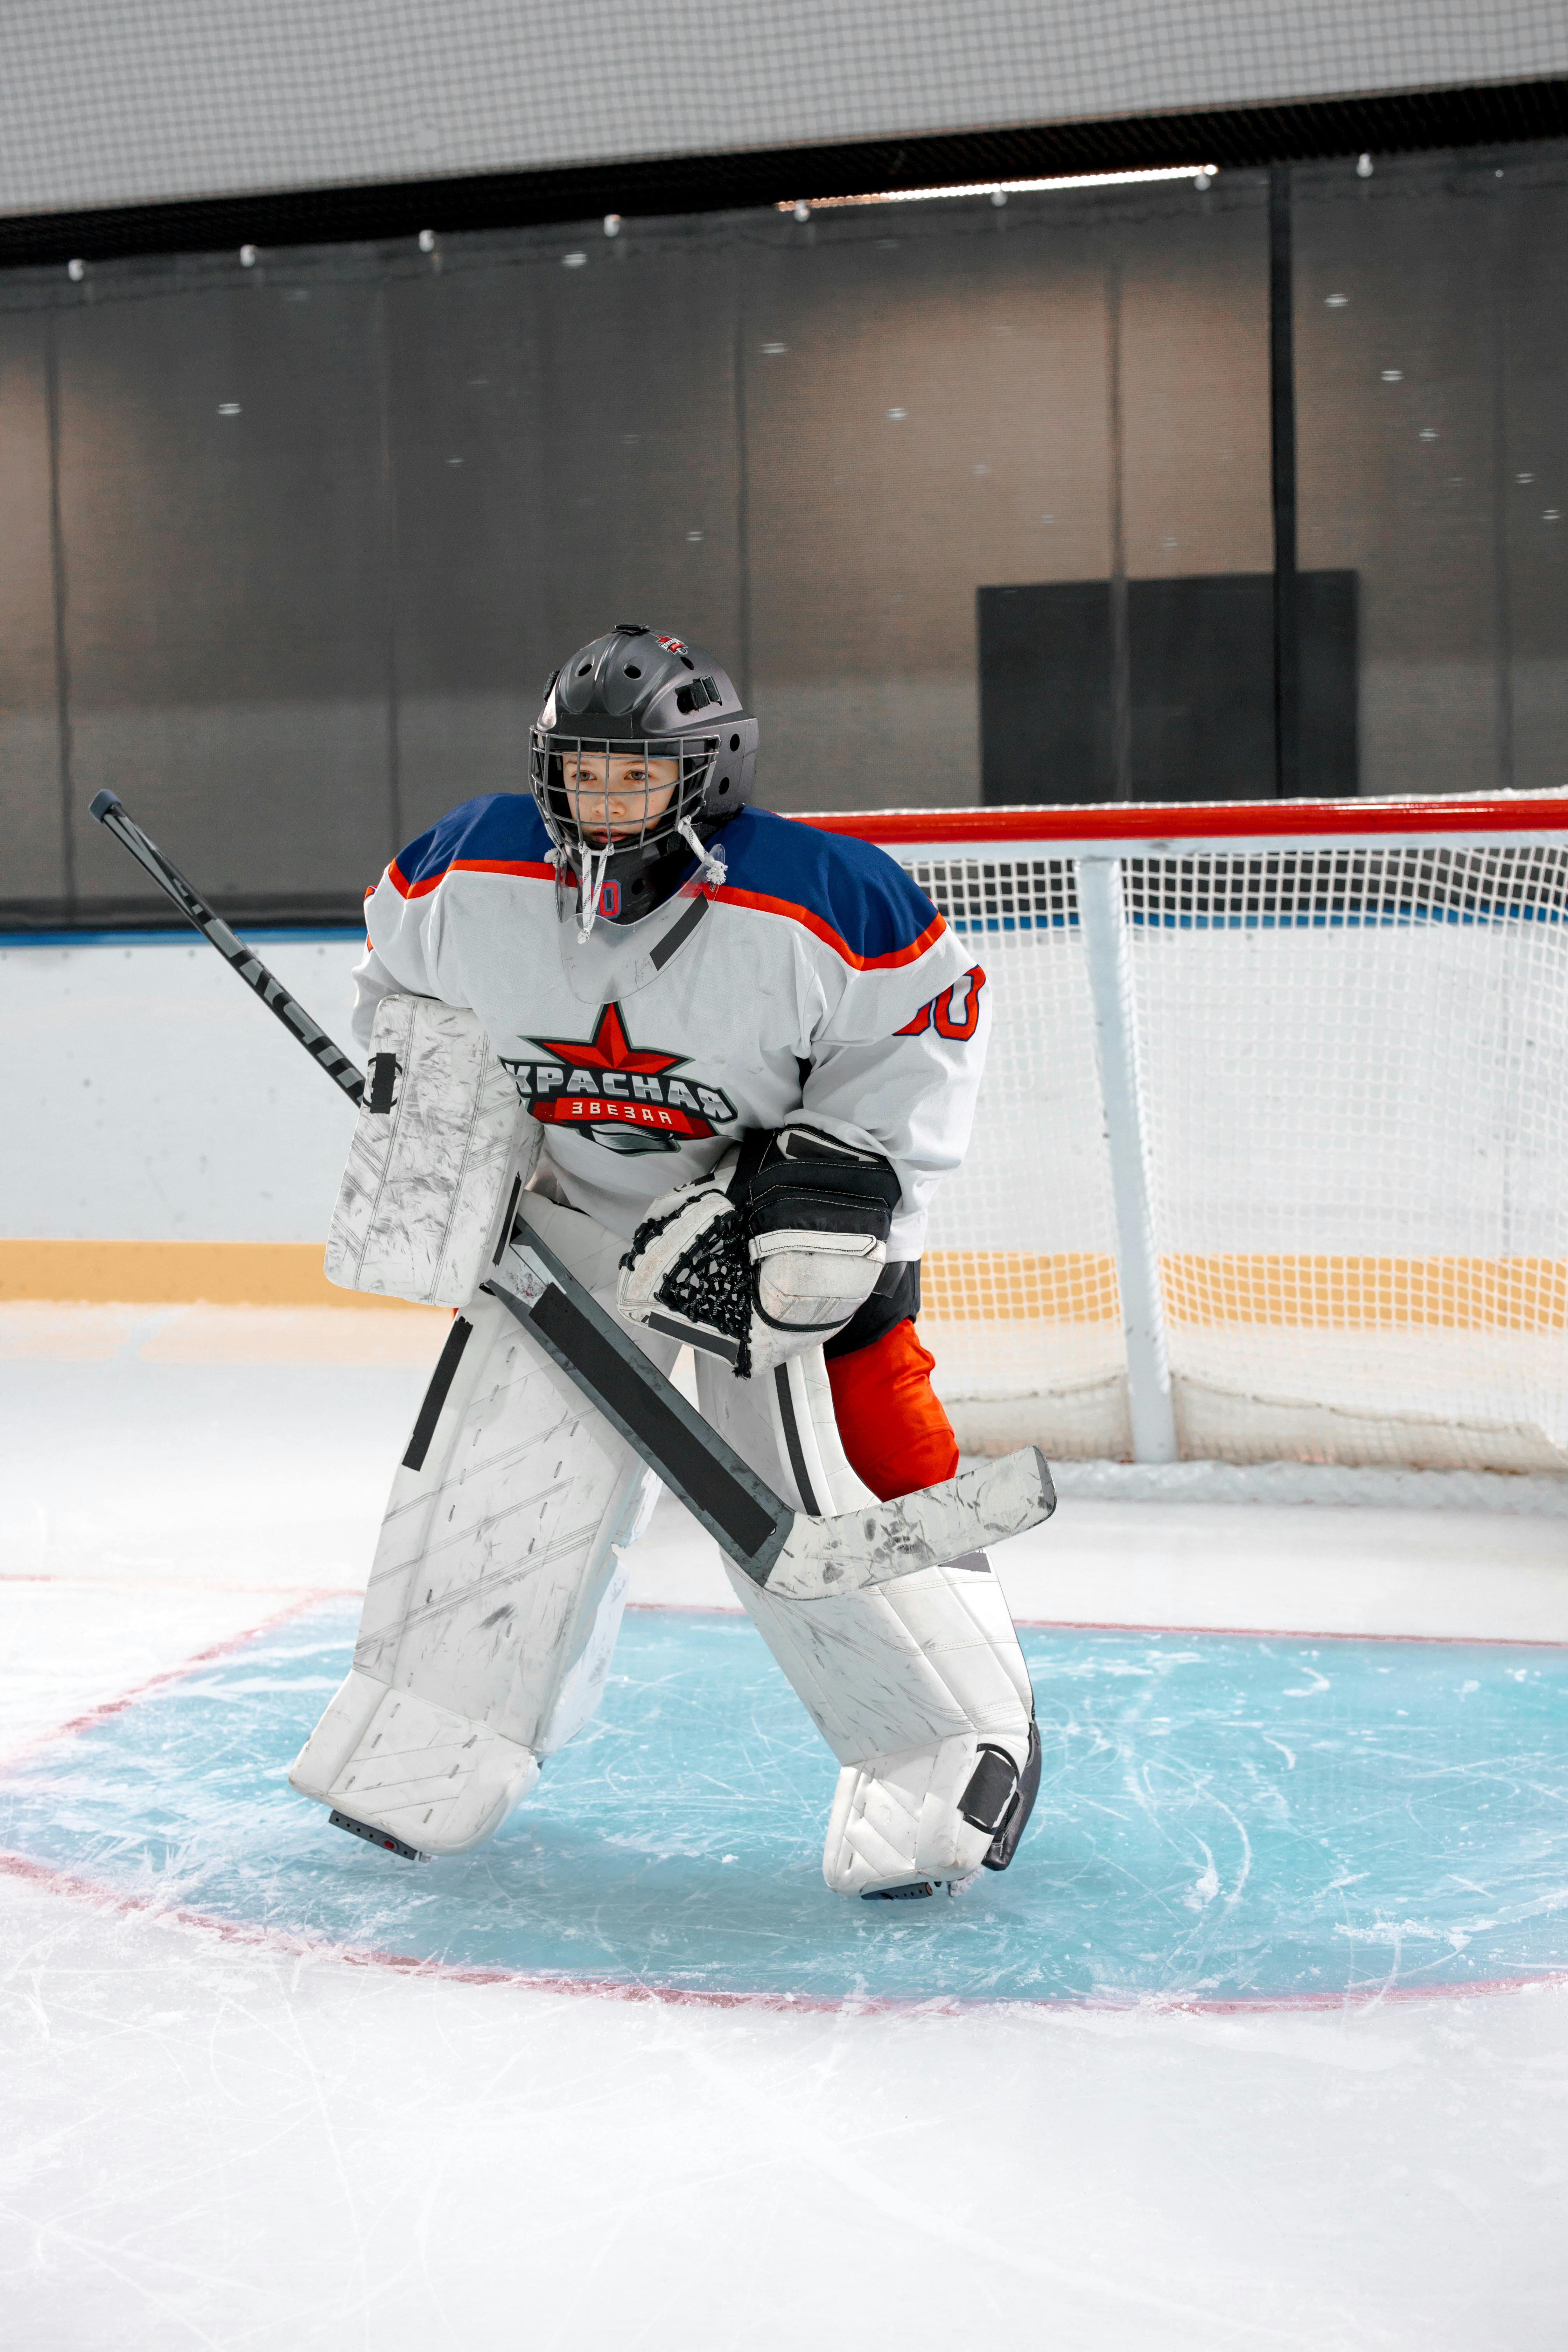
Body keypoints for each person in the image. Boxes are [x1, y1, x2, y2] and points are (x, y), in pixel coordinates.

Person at [296, 623, 1040, 1898]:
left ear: (713, 771)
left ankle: (944, 1737)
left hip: (756, 1242)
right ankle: (443, 1724)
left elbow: (921, 1045)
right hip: (567, 1231)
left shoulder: (829, 900)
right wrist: (439, 1116)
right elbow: (399, 989)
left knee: (810, 1492)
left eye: (637, 774)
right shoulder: (465, 867)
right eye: (584, 772)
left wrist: (834, 1190)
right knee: (495, 1474)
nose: (607, 800)